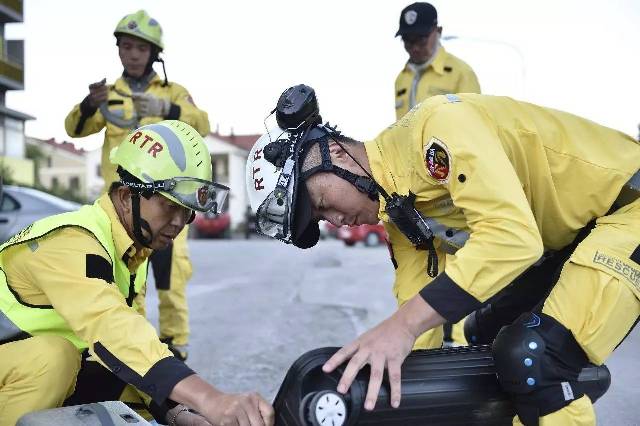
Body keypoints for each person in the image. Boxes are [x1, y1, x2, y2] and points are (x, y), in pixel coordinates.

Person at [247, 85, 640, 425]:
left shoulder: (438, 129)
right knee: (479, 343)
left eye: (320, 203)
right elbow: (420, 328)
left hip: (628, 208)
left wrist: (400, 327)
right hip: (572, 236)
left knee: (535, 359)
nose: (334, 220)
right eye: (320, 220)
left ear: (335, 152)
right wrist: (388, 399)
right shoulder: (397, 214)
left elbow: (511, 239)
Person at [0, 121, 274, 426]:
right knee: (53, 359)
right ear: (125, 197)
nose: (179, 222)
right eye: (169, 206)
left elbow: (127, 353)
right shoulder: (73, 240)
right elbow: (113, 328)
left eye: (187, 211)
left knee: (115, 378)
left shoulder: (131, 251)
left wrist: (177, 413)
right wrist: (211, 399)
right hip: (27, 364)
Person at [64, 10, 208, 361]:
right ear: (118, 50)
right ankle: (132, 350)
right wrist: (90, 104)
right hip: (122, 203)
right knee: (123, 278)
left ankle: (175, 348)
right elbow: (74, 129)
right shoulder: (109, 94)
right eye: (126, 47)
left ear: (154, 53)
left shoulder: (174, 92)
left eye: (141, 48)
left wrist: (168, 109)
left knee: (171, 276)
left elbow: (202, 125)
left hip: (168, 200)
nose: (132, 54)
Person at [395, 2, 480, 120]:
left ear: (439, 31)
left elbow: (473, 123)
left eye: (421, 39)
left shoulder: (462, 73)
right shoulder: (401, 78)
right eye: (408, 41)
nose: (415, 47)